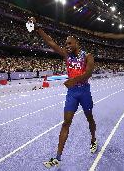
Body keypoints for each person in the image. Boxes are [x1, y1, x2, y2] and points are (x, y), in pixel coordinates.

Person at [29, 17, 98, 168]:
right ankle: (57, 157)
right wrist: (38, 28)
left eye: (69, 43)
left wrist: (74, 80)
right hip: (72, 93)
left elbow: (89, 73)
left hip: (84, 92)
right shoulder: (67, 56)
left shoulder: (88, 56)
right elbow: (51, 42)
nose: (66, 46)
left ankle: (93, 139)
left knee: (90, 119)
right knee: (66, 123)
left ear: (76, 43)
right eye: (65, 44)